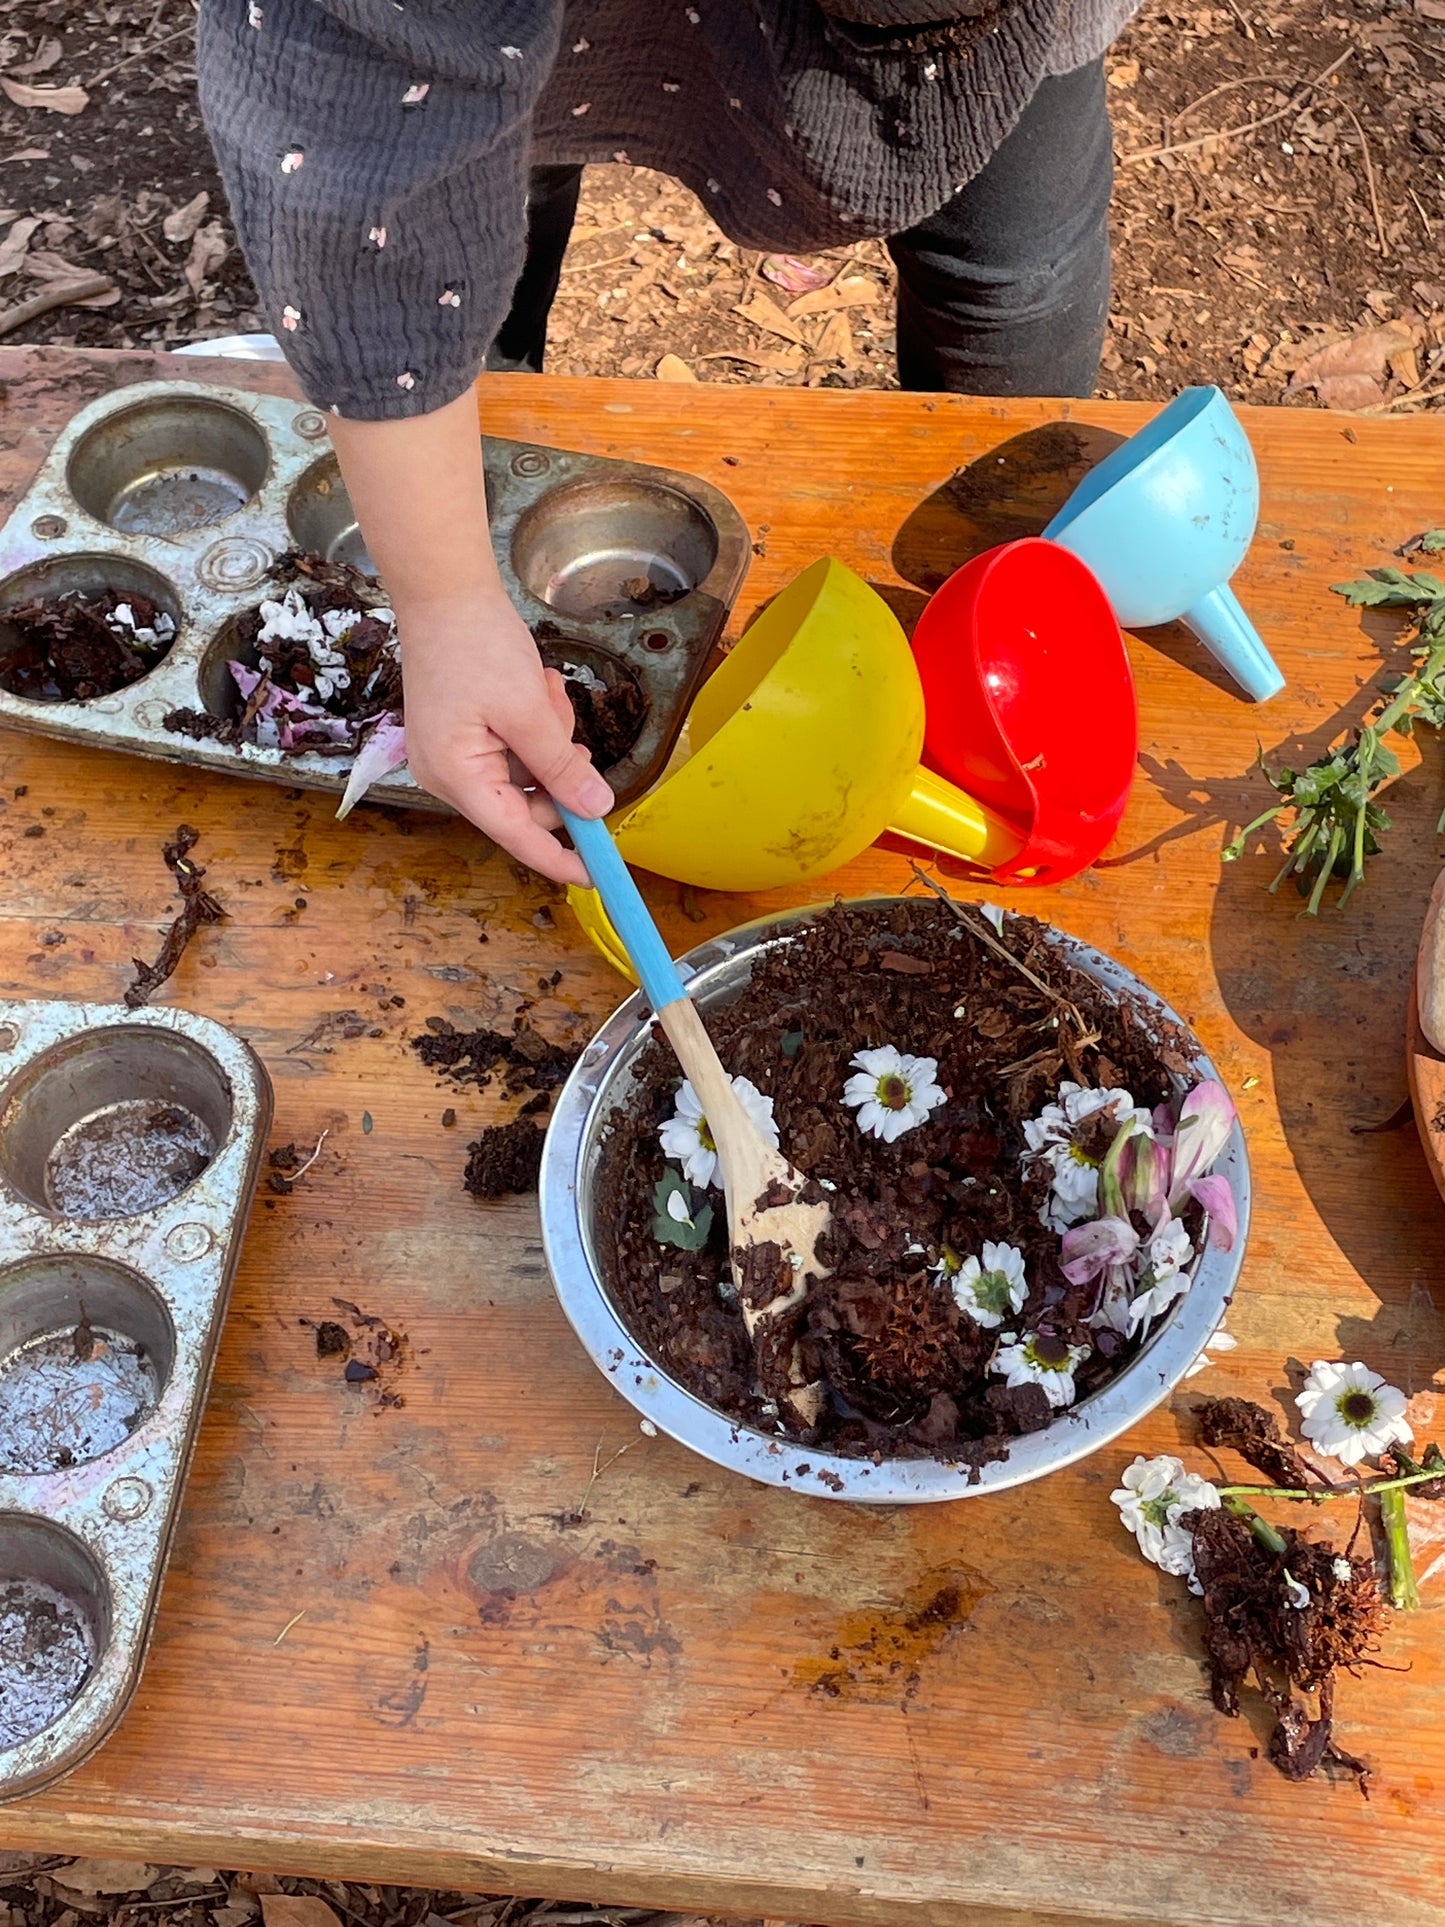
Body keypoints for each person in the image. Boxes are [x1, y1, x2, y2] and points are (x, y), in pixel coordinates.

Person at [196, 0, 1130, 884]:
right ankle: (486, 389)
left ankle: (1007, 608)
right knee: (489, 143)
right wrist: (445, 605)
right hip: (492, 34)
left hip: (976, 37)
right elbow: (375, 122)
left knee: (1010, 242)